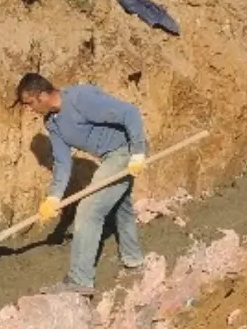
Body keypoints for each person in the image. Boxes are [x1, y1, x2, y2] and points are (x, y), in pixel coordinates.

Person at [15, 73, 148, 296]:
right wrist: (54, 197)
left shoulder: (80, 99)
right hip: (109, 157)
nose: (30, 109)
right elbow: (62, 162)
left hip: (124, 151)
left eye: (30, 104)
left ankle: (79, 280)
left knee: (88, 210)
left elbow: (129, 113)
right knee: (120, 206)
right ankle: (134, 261)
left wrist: (138, 152)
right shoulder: (52, 122)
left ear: (43, 95)